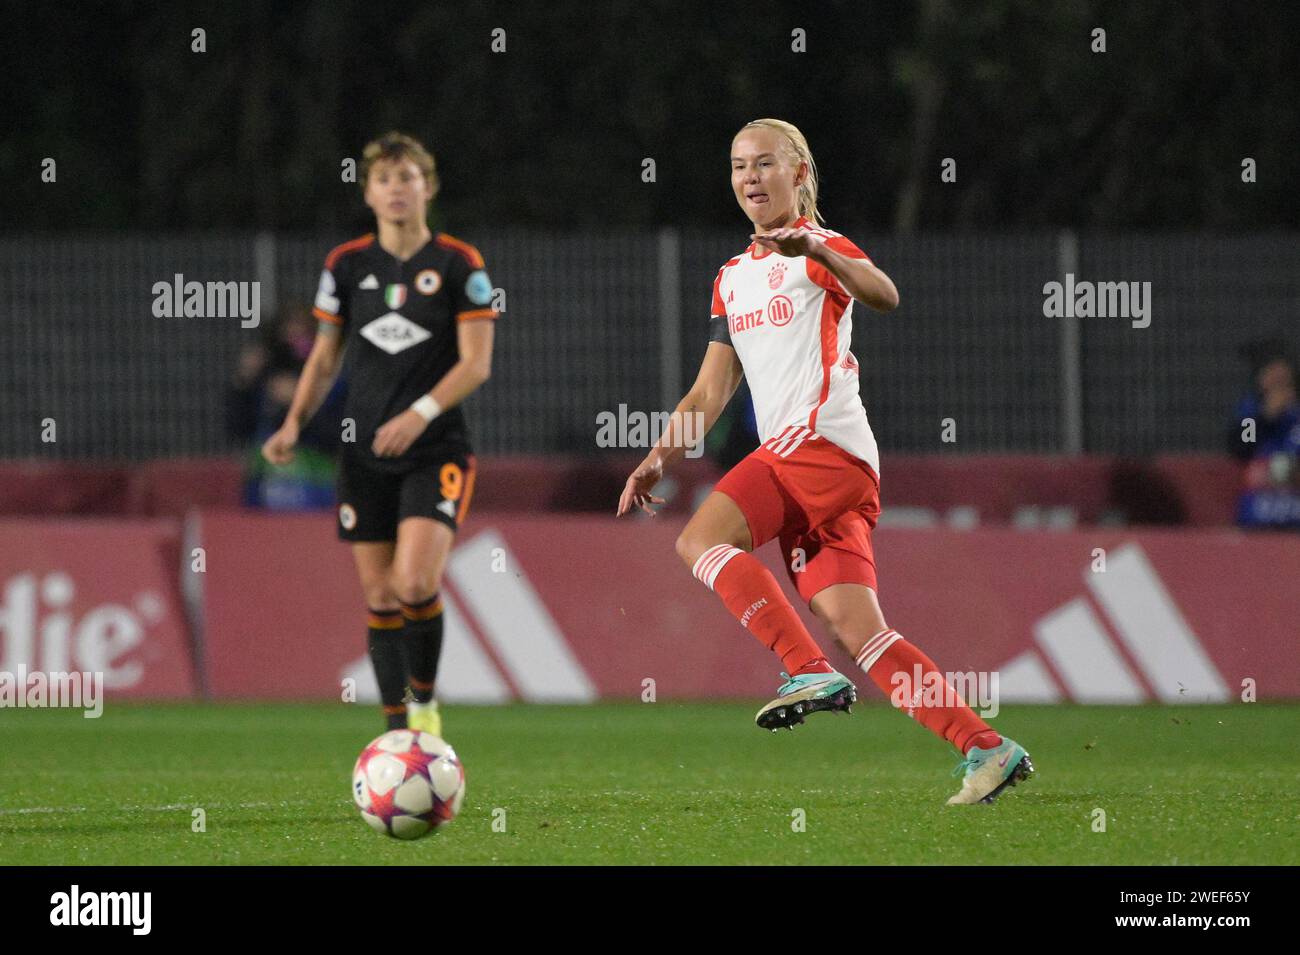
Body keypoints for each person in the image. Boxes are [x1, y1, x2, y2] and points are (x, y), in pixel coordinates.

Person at [617, 118, 1032, 805]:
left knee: (699, 538)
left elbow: (884, 293)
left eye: (765, 164)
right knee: (859, 628)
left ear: (800, 175)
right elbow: (712, 388)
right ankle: (986, 747)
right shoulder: (731, 279)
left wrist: (822, 249)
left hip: (821, 447)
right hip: (823, 467)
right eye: (739, 166)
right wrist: (659, 456)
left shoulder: (818, 248)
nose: (750, 177)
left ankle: (804, 668)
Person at [262, 132, 499, 736]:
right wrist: (293, 423)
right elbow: (323, 358)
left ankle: (423, 707)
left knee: (414, 582)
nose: (398, 188)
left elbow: (475, 363)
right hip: (363, 452)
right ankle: (395, 731)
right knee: (380, 596)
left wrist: (419, 412)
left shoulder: (458, 264)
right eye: (386, 179)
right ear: (368, 192)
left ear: (429, 187)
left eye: (409, 177)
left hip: (435, 449)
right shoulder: (346, 266)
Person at [229, 303, 344, 509]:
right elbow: (237, 429)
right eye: (288, 329)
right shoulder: (265, 377)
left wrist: (300, 403)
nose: (294, 336)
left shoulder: (333, 380)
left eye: (301, 329)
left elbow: (343, 435)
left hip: (317, 493)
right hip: (263, 493)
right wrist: (242, 385)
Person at [1227, 344, 1300, 529]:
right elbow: (1242, 448)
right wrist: (1266, 418)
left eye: (1282, 378)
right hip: (1259, 513)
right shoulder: (1250, 413)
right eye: (1272, 375)